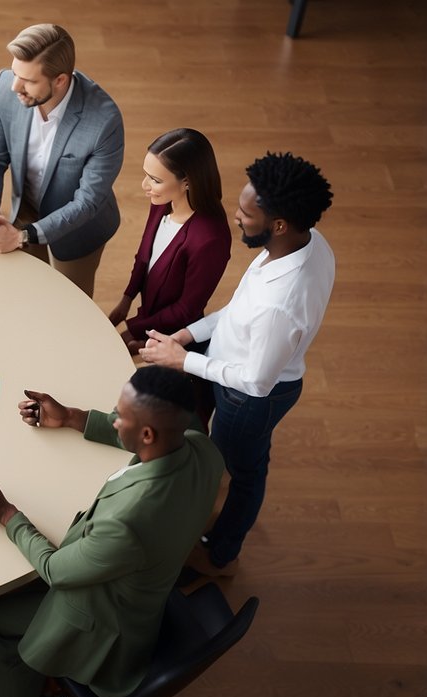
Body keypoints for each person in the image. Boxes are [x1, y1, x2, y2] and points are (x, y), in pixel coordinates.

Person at [0, 367, 224, 697]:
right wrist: (71, 417)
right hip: (146, 584)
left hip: (106, 626)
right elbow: (157, 441)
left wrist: (5, 513)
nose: (114, 419)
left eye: (120, 416)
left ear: (147, 434)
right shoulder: (203, 448)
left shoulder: (128, 523)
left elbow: (54, 571)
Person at [140, 152, 335, 579]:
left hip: (246, 398)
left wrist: (184, 360)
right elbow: (239, 308)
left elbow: (256, 382)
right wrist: (191, 335)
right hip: (228, 362)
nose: (235, 218)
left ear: (278, 224)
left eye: (245, 214)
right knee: (231, 457)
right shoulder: (307, 241)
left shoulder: (280, 305)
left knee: (243, 472)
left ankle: (220, 551)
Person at [0, 23, 124, 298]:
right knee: (29, 293)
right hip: (26, 210)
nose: (15, 86)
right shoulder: (5, 88)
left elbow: (86, 202)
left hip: (79, 229)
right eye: (15, 73)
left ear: (60, 81)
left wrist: (20, 237)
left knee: (70, 303)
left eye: (28, 80)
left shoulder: (104, 121)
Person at [107, 128, 232, 355]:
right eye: (146, 174)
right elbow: (145, 253)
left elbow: (186, 309)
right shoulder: (163, 199)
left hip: (172, 334)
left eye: (154, 180)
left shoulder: (211, 240)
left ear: (187, 182)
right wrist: (127, 298)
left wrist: (132, 328)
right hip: (149, 316)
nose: (144, 186)